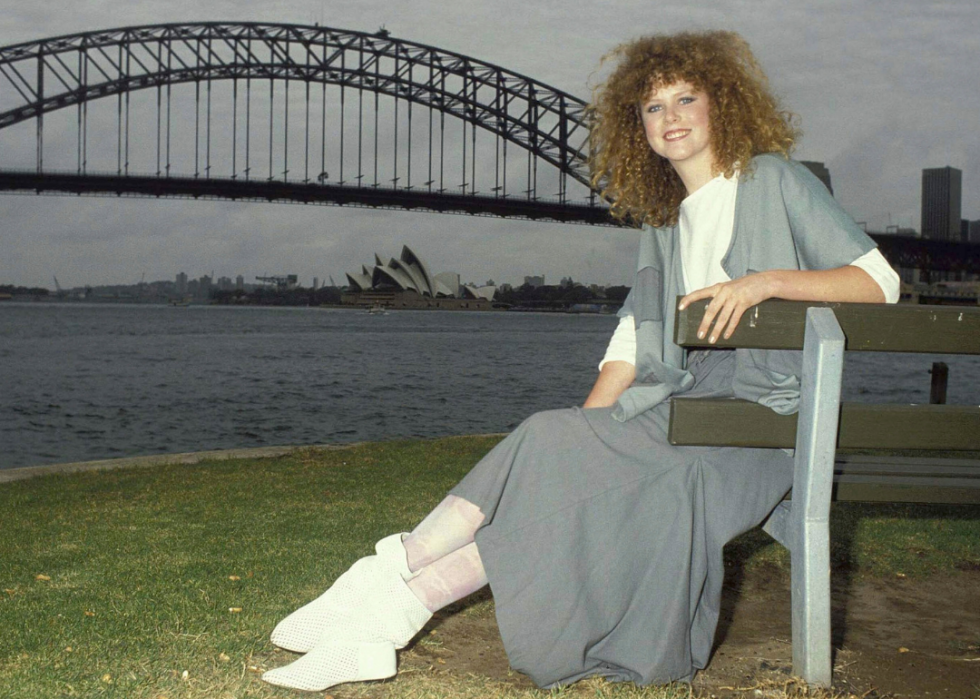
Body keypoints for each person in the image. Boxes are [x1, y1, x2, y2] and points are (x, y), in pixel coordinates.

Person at [262, 30, 899, 692]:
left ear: (723, 105)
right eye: (653, 107)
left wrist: (764, 281)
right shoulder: (665, 224)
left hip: (765, 416)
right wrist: (581, 441)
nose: (671, 118)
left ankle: (391, 604)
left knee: (602, 478)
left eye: (686, 98)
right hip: (685, 401)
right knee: (549, 437)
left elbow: (881, 283)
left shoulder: (774, 179)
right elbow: (630, 341)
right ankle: (394, 581)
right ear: (639, 126)